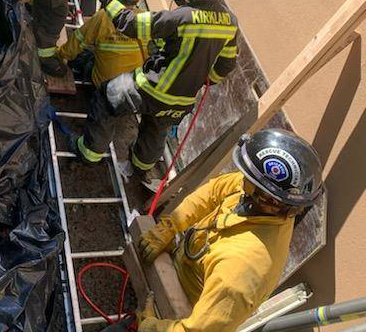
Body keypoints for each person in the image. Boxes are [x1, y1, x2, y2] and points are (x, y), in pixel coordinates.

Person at [136, 128, 324, 332]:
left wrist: (152, 328)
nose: (242, 180)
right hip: (181, 270)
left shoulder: (243, 269)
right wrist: (171, 226)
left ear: (268, 199)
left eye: (248, 180)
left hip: (185, 312)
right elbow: (214, 191)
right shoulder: (263, 198)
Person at [70, 0, 238, 170]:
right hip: (182, 101)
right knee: (157, 128)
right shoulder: (230, 23)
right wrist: (195, 80)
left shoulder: (182, 17)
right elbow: (225, 66)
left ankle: (89, 153)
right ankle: (142, 165)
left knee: (106, 96)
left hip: (150, 89)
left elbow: (129, 24)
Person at [57, 0, 146, 86]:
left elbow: (77, 41)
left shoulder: (103, 17)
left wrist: (60, 55)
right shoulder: (144, 18)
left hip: (106, 84)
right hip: (133, 85)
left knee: (82, 56)